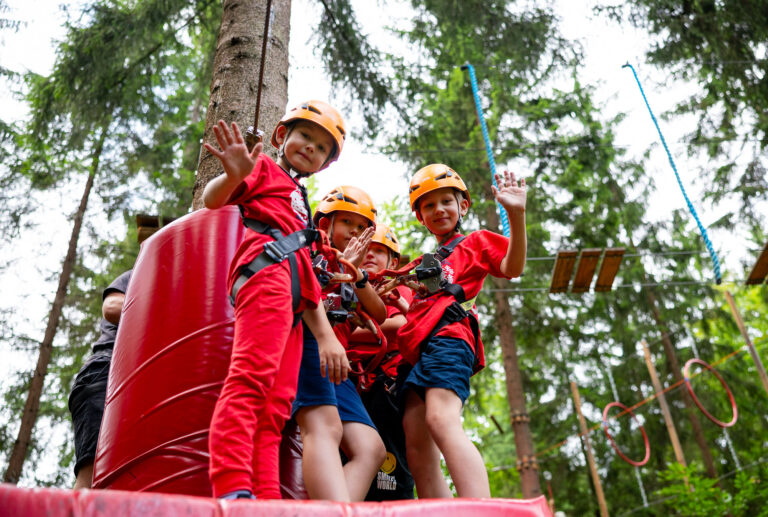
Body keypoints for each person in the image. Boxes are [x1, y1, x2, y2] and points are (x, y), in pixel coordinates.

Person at [202, 101, 350, 500]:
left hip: (295, 301)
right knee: (250, 379)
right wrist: (233, 175)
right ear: (281, 136)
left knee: (275, 409)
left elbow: (306, 268)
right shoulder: (264, 168)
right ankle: (231, 487)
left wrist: (325, 335)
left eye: (321, 147)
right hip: (267, 276)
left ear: (324, 164)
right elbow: (213, 200)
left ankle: (266, 500)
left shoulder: (301, 201)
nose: (310, 148)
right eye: (305, 136)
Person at [398, 164, 527, 498]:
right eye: (429, 205)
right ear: (420, 217)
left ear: (463, 206)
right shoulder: (418, 266)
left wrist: (516, 217)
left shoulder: (476, 243)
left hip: (449, 338)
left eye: (446, 201)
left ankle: (479, 506)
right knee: (416, 439)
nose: (438, 209)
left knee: (441, 419)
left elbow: (513, 267)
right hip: (416, 351)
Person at [291, 185, 387, 502]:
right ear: (324, 225)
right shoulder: (311, 254)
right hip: (309, 344)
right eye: (348, 223)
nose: (355, 231)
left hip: (337, 363)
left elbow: (380, 313)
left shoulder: (348, 269)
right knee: (325, 428)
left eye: (362, 228)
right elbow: (304, 292)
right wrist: (326, 337)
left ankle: (333, 507)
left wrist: (355, 273)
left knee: (371, 447)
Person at [348, 224, 415, 501]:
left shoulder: (399, 287)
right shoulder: (345, 289)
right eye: (367, 250)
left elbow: (403, 324)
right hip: (351, 384)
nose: (371, 255)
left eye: (379, 251)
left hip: (388, 386)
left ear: (393, 261)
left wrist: (348, 332)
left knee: (392, 464)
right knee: (352, 456)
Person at [68, 269, 132, 489]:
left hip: (132, 380)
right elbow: (111, 306)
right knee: (93, 474)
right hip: (105, 373)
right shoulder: (142, 270)